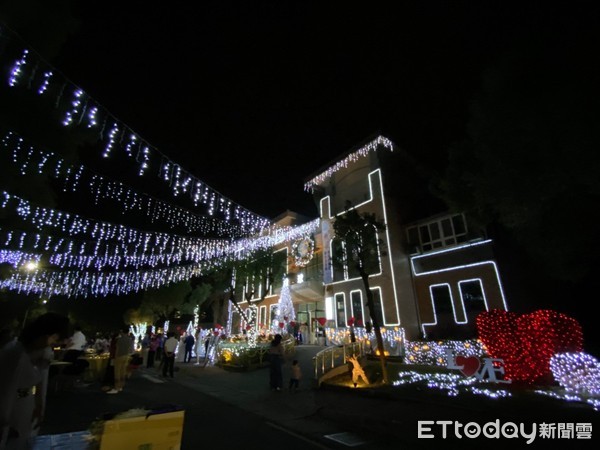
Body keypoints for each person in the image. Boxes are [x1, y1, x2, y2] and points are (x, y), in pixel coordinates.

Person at [0, 312, 69, 450]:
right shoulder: (15, 354)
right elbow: (6, 393)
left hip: (24, 410)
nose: (54, 343)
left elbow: (38, 382)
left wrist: (38, 404)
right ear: (45, 335)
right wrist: (5, 425)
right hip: (13, 415)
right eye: (55, 338)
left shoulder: (36, 353)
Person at [106, 328, 133, 394]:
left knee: (117, 372)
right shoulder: (130, 339)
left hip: (119, 356)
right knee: (123, 371)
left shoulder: (119, 339)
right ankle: (121, 386)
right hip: (126, 356)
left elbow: (117, 349)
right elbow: (131, 349)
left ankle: (116, 387)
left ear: (122, 332)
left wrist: (115, 357)